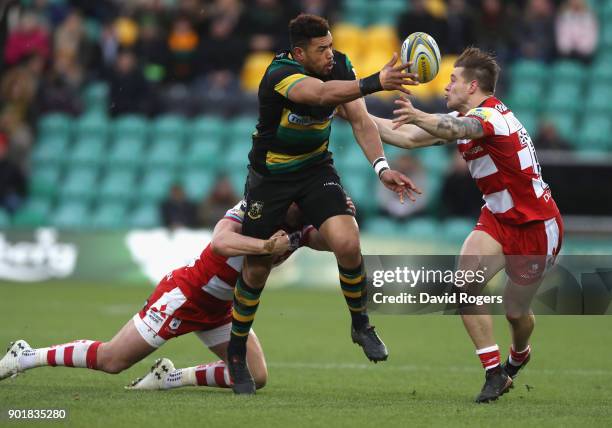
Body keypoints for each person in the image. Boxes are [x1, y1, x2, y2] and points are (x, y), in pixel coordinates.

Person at [227, 13, 421, 394]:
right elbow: (317, 96)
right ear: (300, 53)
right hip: (271, 178)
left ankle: (361, 323)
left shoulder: (342, 64)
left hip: (316, 170)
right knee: (257, 269)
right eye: (322, 50)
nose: (331, 54)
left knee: (347, 241)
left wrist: (382, 169)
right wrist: (374, 82)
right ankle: (236, 352)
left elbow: (361, 121)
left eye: (331, 45)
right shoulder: (279, 73)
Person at [371, 47, 563, 403]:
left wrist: (418, 114)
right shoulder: (467, 121)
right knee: (464, 284)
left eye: (453, 80)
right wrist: (351, 109)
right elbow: (407, 138)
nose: (446, 86)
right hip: (496, 217)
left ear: (473, 86)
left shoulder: (492, 118)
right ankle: (494, 373)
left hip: (536, 225)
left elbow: (461, 126)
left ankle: (519, 354)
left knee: (516, 311)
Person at [0, 200, 339, 391]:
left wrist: (340, 216)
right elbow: (220, 241)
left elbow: (333, 242)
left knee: (254, 375)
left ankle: (171, 378)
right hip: (186, 295)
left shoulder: (303, 229)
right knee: (112, 361)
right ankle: (27, 355)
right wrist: (266, 246)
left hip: (221, 308)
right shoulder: (259, 207)